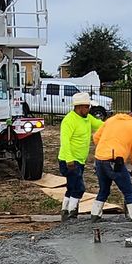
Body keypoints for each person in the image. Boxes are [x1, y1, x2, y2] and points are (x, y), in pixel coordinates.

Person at [89, 105, 132, 222]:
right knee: (128, 191)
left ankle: (95, 215)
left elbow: (96, 137)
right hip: (115, 162)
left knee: (104, 190)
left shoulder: (111, 120)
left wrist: (104, 150)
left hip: (99, 159)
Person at [57, 91, 98, 220]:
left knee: (72, 187)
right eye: (87, 107)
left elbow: (100, 125)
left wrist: (115, 123)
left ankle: (65, 211)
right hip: (70, 160)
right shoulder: (69, 120)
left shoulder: (87, 118)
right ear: (79, 107)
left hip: (79, 160)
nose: (89, 109)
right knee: (79, 188)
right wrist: (69, 160)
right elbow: (65, 141)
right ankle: (72, 213)